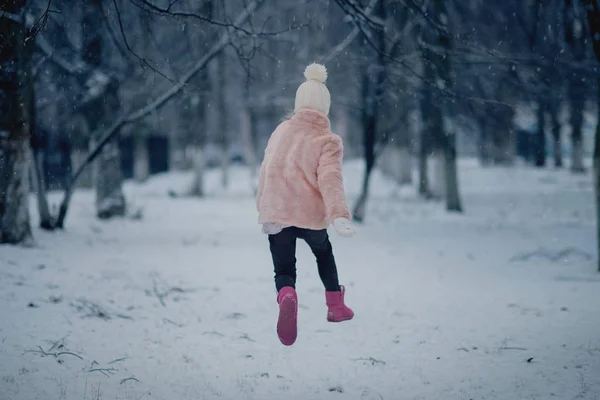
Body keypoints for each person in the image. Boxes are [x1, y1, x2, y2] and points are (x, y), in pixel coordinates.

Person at [256, 63, 356, 346]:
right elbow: (330, 179)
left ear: (299, 103)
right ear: (325, 107)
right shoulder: (327, 140)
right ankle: (335, 305)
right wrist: (338, 214)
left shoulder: (280, 131)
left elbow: (266, 168)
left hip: (276, 211)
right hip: (309, 215)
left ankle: (287, 294)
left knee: (284, 270)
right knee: (323, 252)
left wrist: (262, 206)